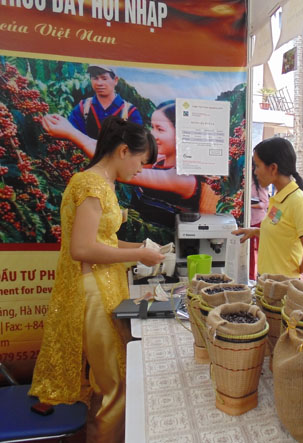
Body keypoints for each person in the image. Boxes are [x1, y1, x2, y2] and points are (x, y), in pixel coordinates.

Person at [29, 116, 164, 443]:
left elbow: (103, 239)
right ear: (122, 150)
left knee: (112, 378)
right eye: (141, 161)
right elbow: (83, 248)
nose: (140, 170)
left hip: (103, 286)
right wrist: (138, 256)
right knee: (113, 384)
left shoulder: (100, 182)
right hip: (94, 291)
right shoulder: (92, 185)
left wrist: (142, 248)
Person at [43, 100, 218, 227]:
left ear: (182, 135)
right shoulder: (159, 162)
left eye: (160, 129)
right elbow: (114, 153)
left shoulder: (183, 178)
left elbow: (117, 163)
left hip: (164, 253)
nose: (153, 134)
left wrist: (71, 133)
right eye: (152, 127)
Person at [232, 137, 303, 278]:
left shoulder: (298, 202)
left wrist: (290, 274)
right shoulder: (279, 197)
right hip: (267, 282)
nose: (255, 172)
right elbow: (282, 233)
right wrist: (256, 231)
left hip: (281, 286)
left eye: (257, 166)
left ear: (273, 168)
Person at [43, 65, 142, 142]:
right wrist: (53, 122)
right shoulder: (83, 107)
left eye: (104, 78)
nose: (99, 83)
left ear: (115, 80)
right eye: (95, 78)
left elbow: (137, 143)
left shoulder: (130, 112)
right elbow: (70, 133)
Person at [249, 168, 269, 280]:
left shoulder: (259, 182)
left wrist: (249, 204)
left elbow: (265, 203)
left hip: (259, 220)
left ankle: (262, 277)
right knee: (249, 251)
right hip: (248, 220)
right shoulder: (243, 180)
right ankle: (251, 277)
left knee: (262, 250)